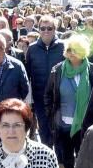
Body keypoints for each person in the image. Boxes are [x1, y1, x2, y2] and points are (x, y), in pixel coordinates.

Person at [46, 35, 93, 168]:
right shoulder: (58, 70)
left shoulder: (92, 70)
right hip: (63, 123)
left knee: (84, 153)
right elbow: (48, 95)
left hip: (85, 123)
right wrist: (51, 116)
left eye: (74, 50)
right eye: (68, 49)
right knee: (67, 154)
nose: (71, 53)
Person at [24, 16, 65, 145]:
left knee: (60, 130)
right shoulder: (32, 49)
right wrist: (29, 100)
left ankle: (60, 161)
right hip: (40, 97)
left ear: (55, 29)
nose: (46, 31)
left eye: (49, 28)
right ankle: (47, 158)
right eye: (43, 28)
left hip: (61, 97)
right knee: (44, 130)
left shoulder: (63, 47)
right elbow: (28, 74)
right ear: (39, 30)